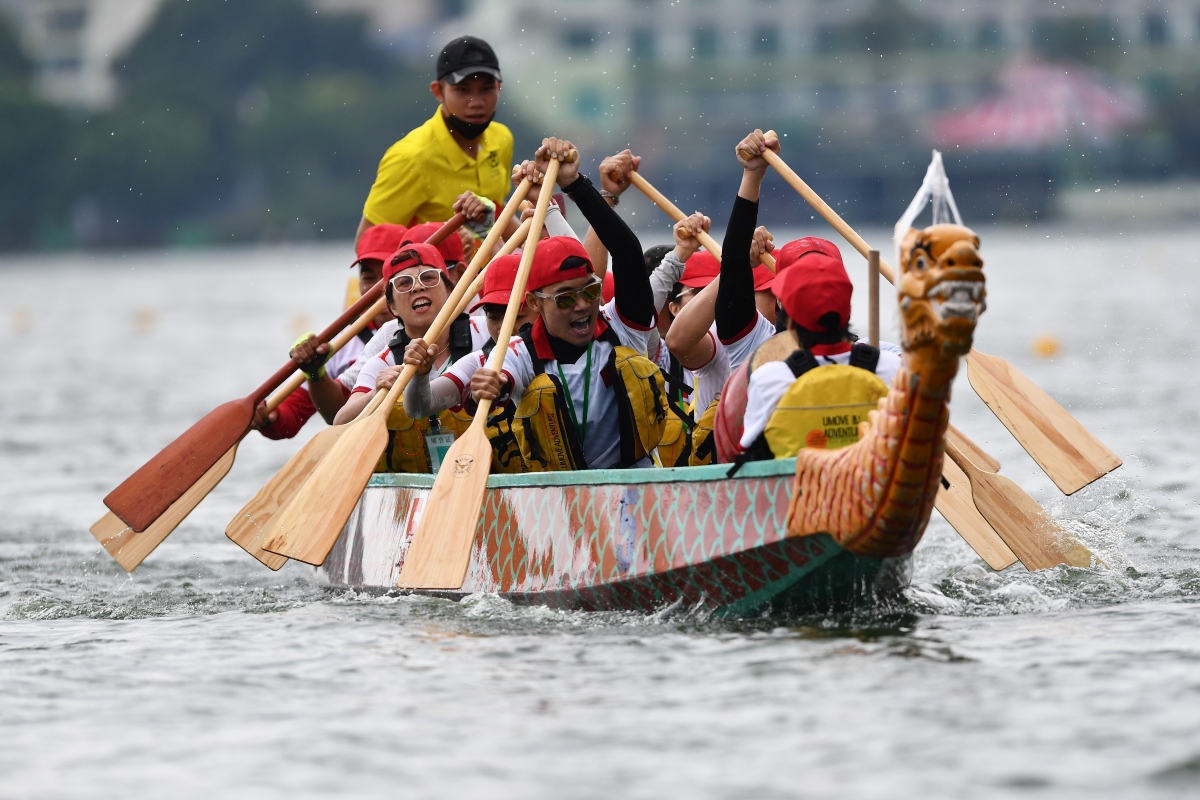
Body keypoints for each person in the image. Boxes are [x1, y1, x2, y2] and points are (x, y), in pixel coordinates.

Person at [402, 138, 668, 472]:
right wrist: (422, 377)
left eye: (590, 292)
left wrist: (574, 184)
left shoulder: (623, 326)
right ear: (533, 303)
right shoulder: (515, 354)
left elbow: (627, 252)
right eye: (565, 299)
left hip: (637, 489)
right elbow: (419, 407)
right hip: (559, 501)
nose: (582, 306)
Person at [733, 234, 901, 460]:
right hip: (869, 492)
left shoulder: (769, 379)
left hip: (798, 493)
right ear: (847, 310)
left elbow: (746, 458)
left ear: (786, 314)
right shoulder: (892, 368)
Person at [332, 243, 482, 473]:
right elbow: (340, 424)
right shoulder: (383, 362)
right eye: (404, 283)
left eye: (429, 278)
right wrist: (376, 395)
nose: (418, 288)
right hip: (416, 484)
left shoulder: (486, 336)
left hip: (484, 473)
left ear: (450, 290)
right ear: (391, 306)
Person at [251, 223, 406, 438]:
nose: (377, 289)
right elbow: (290, 418)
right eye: (368, 277)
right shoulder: (342, 342)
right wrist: (269, 417)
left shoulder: (441, 326)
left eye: (387, 275)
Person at [356, 36, 513, 245]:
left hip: (490, 275)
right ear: (438, 91)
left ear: (499, 87)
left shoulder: (501, 138)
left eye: (486, 88)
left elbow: (499, 216)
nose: (476, 102)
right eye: (463, 90)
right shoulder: (411, 158)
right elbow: (367, 245)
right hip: (434, 277)